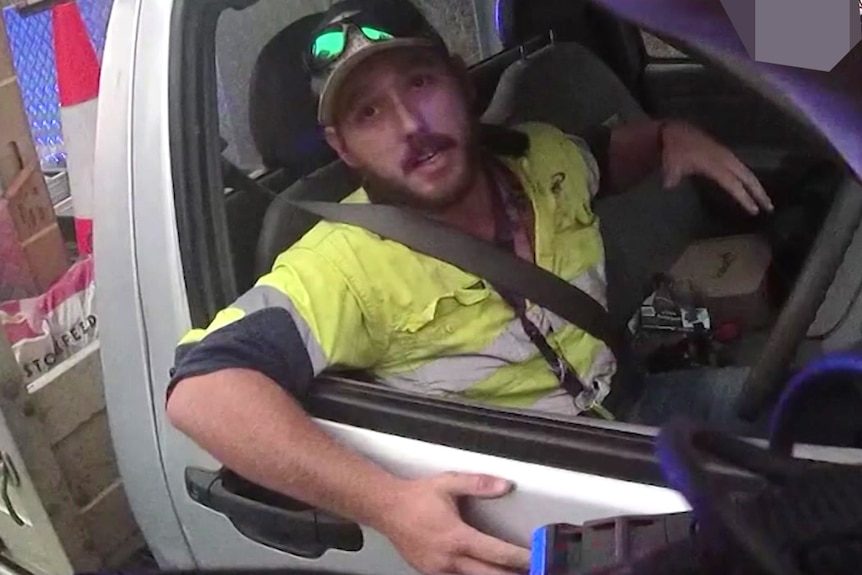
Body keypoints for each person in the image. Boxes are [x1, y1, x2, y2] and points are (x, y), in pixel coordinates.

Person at [166, 1, 774, 574]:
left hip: (639, 408)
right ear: (341, 146)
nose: (410, 126)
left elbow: (607, 156)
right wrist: (388, 506)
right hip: (559, 491)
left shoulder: (542, 157)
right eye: (368, 113)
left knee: (827, 403)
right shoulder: (338, 267)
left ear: (463, 84)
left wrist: (671, 135)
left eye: (420, 83)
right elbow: (203, 390)